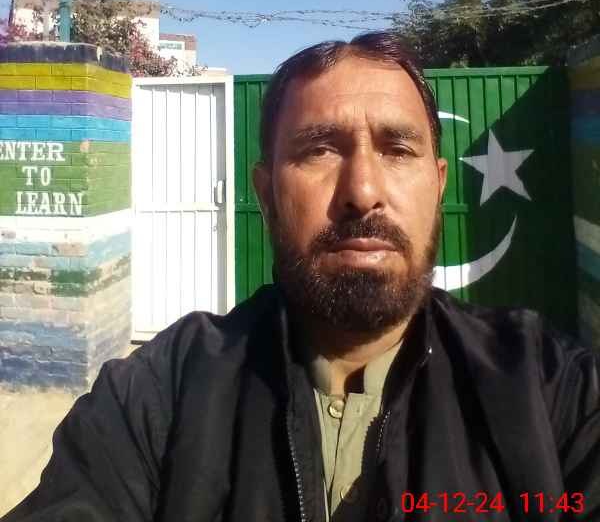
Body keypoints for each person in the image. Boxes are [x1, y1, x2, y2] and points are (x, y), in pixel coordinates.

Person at [4, 31, 599, 522]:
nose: (363, 191)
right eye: (320, 150)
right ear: (267, 195)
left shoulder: (550, 390)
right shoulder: (158, 395)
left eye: (397, 149)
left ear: (439, 186)